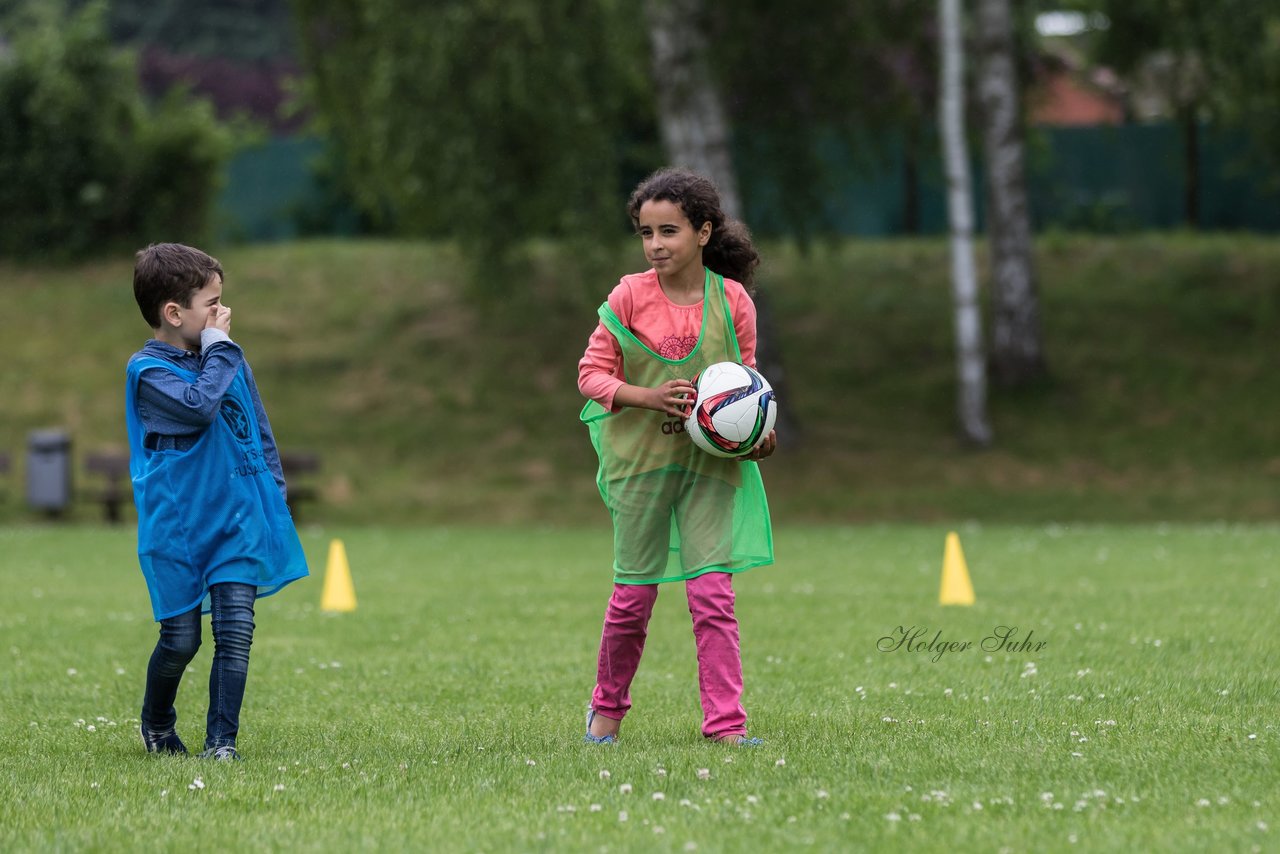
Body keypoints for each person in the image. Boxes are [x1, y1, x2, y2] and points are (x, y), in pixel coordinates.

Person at [578, 168, 776, 746]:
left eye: (669, 231)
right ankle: (605, 715)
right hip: (640, 466)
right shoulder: (629, 295)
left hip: (708, 469)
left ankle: (726, 728)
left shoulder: (732, 300)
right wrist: (648, 396)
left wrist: (757, 434)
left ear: (704, 232)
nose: (656, 245)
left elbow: (747, 387)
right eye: (646, 233)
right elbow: (591, 375)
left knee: (713, 595)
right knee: (633, 598)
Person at [126, 243, 309, 761]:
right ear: (174, 313)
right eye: (212, 303)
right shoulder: (148, 372)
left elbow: (257, 426)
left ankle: (221, 743)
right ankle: (158, 722)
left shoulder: (227, 356)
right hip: (179, 527)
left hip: (236, 518)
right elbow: (200, 406)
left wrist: (273, 492)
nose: (222, 314)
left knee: (236, 632)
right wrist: (219, 346)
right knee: (182, 640)